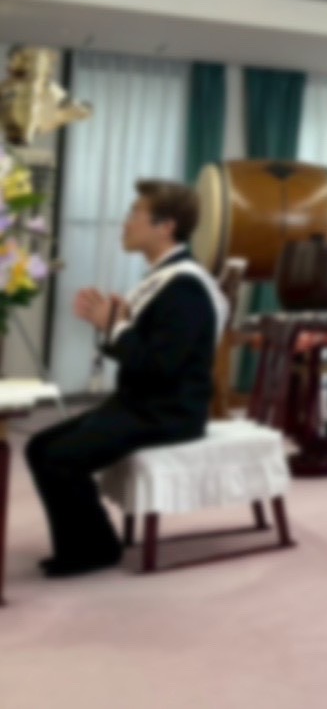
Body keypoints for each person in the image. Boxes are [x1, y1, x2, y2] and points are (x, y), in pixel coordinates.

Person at [25, 180, 225, 576]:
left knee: (60, 458)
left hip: (168, 412)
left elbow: (161, 367)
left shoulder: (185, 287)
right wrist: (115, 324)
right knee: (38, 446)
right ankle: (88, 544)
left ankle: (95, 549)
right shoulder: (165, 279)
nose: (126, 223)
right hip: (142, 403)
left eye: (135, 214)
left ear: (166, 226)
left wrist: (115, 328)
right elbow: (147, 353)